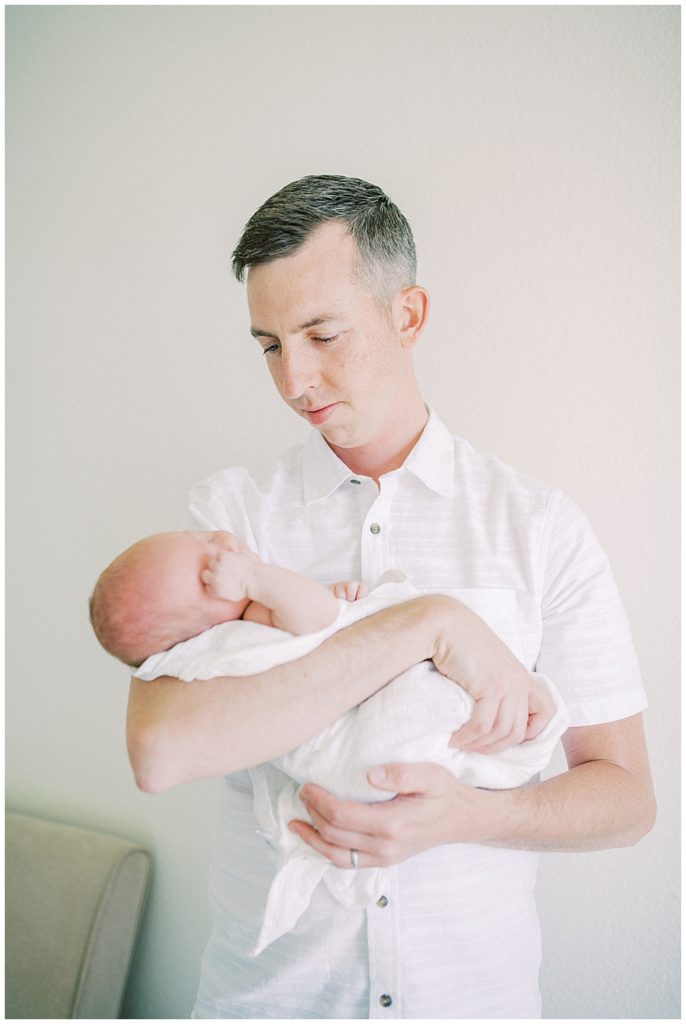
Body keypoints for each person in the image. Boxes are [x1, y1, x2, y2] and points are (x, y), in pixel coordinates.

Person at [126, 175, 656, 1019]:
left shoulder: (540, 526)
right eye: (268, 345)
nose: (295, 378)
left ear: (407, 316)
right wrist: (426, 624)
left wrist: (470, 817)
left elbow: (627, 800)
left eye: (322, 334)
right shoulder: (230, 523)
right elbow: (162, 749)